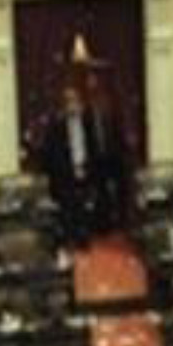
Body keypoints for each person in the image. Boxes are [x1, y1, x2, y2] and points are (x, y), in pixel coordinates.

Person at [39, 82, 115, 248]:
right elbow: (51, 153)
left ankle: (84, 237)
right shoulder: (57, 126)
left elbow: (94, 148)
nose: (72, 106)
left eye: (75, 101)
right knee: (68, 208)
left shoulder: (87, 124)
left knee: (85, 207)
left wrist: (92, 169)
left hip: (86, 171)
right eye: (69, 102)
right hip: (65, 175)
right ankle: (70, 238)